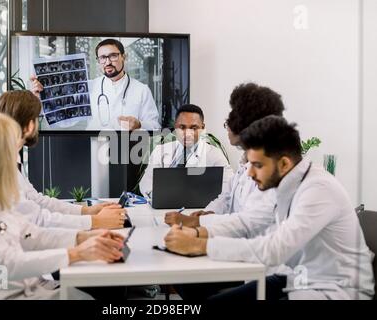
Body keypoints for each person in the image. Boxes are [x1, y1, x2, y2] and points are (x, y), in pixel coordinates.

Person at [164, 116, 375, 300]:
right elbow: (251, 223)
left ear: (283, 163)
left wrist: (200, 246)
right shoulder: (287, 182)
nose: (249, 174)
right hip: (296, 277)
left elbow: (274, 248)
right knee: (193, 285)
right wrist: (199, 231)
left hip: (332, 289)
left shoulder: (317, 190)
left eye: (257, 166)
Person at [0, 112, 125, 299]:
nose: (16, 159)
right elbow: (5, 264)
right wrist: (77, 253)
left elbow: (31, 234)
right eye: (13, 150)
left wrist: (83, 237)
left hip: (30, 289)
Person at [0, 91, 126, 230]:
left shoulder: (10, 156)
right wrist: (95, 222)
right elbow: (36, 220)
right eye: (37, 118)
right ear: (30, 125)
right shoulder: (1, 167)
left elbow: (37, 201)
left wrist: (87, 212)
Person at [164, 83, 283, 228]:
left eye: (233, 117)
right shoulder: (245, 163)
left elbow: (249, 223)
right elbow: (226, 198)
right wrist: (207, 213)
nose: (228, 124)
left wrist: (198, 224)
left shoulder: (269, 172)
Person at [32, 39, 160, 130]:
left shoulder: (142, 90)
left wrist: (139, 124)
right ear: (99, 61)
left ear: (124, 57)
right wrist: (41, 97)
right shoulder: (88, 87)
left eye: (113, 56)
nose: (108, 62)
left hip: (128, 151)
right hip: (94, 148)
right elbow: (65, 119)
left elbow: (155, 126)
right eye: (102, 58)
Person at [139, 104, 232, 198]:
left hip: (201, 209)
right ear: (175, 127)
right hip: (164, 207)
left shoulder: (215, 155)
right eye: (182, 127)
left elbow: (228, 186)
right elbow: (146, 183)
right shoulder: (161, 151)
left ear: (202, 128)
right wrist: (161, 197)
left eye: (194, 128)